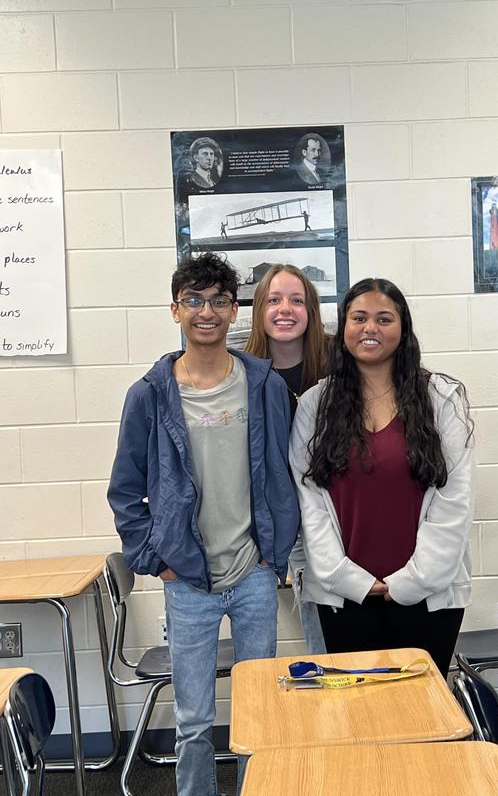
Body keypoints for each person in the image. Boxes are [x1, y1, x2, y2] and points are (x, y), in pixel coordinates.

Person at [108, 252, 299, 796]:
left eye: (218, 300)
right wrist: (157, 560)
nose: (206, 312)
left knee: (260, 715)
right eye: (194, 300)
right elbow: (125, 490)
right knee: (193, 723)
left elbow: (285, 474)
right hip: (187, 580)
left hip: (254, 575)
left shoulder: (262, 385)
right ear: (175, 310)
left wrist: (275, 552)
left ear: (234, 308)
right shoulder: (149, 395)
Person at [289, 278, 474, 678]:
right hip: (343, 597)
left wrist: (411, 581)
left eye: (384, 318)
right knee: (360, 720)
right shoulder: (314, 406)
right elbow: (310, 503)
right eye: (359, 318)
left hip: (428, 596)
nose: (370, 328)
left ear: (403, 330)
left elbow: (454, 501)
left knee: (423, 720)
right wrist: (345, 577)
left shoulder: (441, 399)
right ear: (344, 329)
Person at [245, 263, 329, 654]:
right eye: (274, 300)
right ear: (259, 308)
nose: (285, 310)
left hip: (338, 518)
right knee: (321, 639)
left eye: (297, 300)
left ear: (310, 310)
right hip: (283, 526)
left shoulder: (338, 362)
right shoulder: (241, 374)